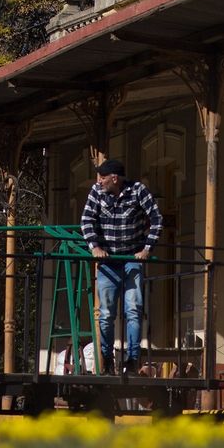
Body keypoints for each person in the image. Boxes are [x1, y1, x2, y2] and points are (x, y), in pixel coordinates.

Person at [80, 159, 164, 374]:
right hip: (108, 261)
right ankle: (107, 358)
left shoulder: (137, 191)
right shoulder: (96, 192)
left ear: (114, 178)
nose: (98, 181)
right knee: (106, 314)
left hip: (132, 259)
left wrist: (147, 248)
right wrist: (94, 247)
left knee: (133, 310)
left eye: (102, 177)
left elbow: (157, 218)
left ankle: (132, 360)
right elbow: (86, 220)